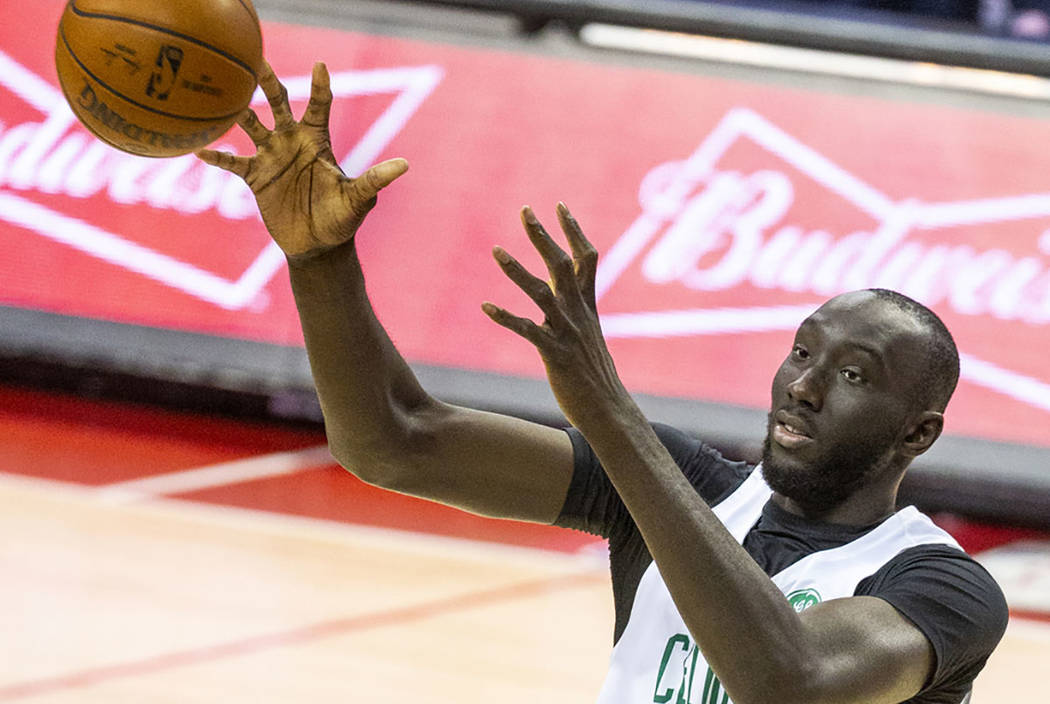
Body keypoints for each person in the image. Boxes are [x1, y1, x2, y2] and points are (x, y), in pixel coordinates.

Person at [197, 62, 1007, 704]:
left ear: (917, 432)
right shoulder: (682, 483)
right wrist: (317, 259)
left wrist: (610, 413)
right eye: (802, 353)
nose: (805, 386)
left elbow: (789, 681)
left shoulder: (941, 587)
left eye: (854, 375)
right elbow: (394, 440)